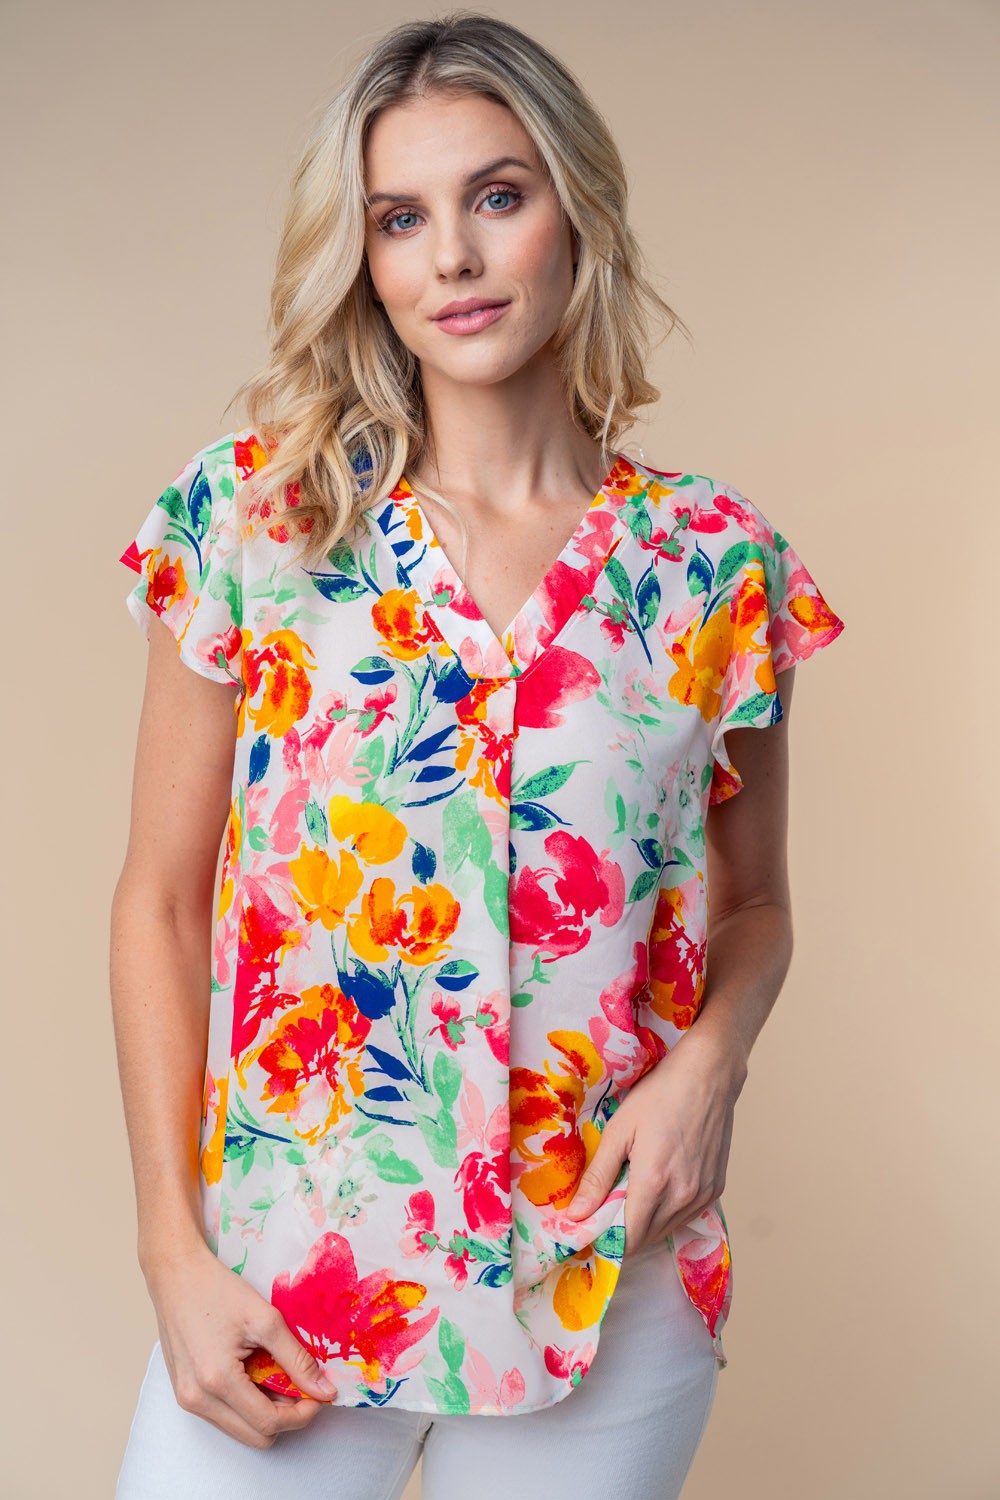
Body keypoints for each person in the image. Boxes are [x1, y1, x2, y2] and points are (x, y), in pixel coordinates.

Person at [110, 13, 846, 1500]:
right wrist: (172, 1254)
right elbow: (160, 903)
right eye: (402, 216)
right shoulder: (259, 520)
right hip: (291, 1286)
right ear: (366, 256)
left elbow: (755, 910)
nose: (451, 256)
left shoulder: (715, 565)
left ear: (576, 214)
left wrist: (710, 1065)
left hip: (602, 1288)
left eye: (496, 197)